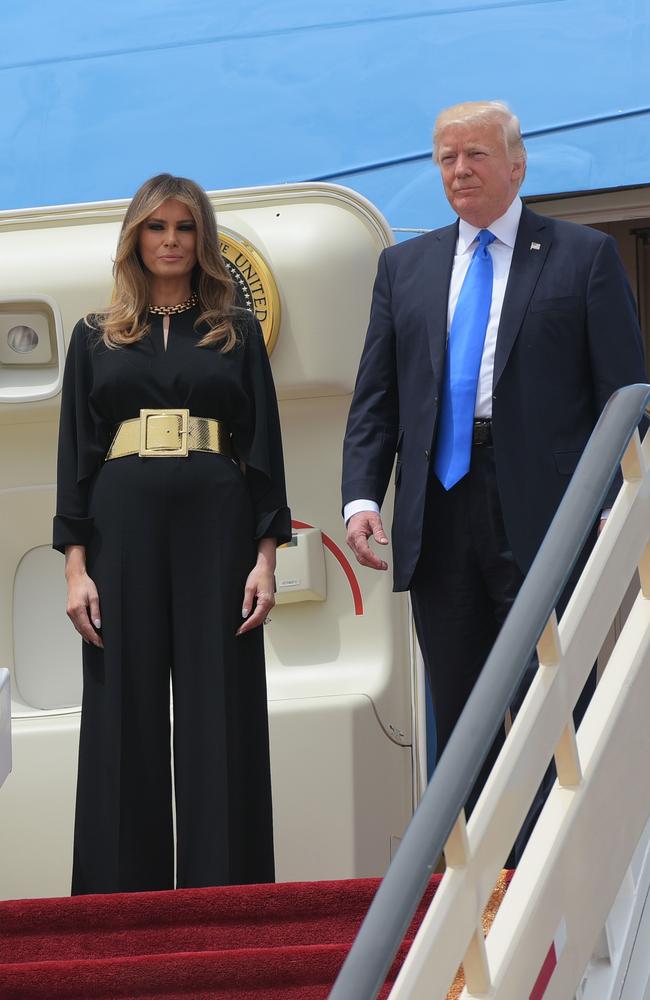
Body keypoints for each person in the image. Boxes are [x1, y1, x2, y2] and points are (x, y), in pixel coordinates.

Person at [342, 101, 646, 818]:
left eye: (474, 155)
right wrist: (361, 497)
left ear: (516, 164)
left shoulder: (583, 256)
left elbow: (625, 396)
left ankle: (554, 872)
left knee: (547, 693)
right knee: (460, 707)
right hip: (437, 511)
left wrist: (607, 502)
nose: (458, 170)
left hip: (543, 510)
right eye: (446, 157)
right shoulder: (403, 267)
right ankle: (478, 884)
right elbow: (376, 399)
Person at [53, 173, 290, 895]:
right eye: (156, 228)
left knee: (220, 708)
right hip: (120, 525)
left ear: (203, 240)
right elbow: (75, 456)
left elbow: (265, 451)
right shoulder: (95, 336)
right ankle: (118, 912)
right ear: (135, 239)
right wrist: (75, 568)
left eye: (184, 229)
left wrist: (266, 557)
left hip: (217, 524)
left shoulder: (236, 332)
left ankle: (229, 903)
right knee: (121, 708)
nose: (170, 242)